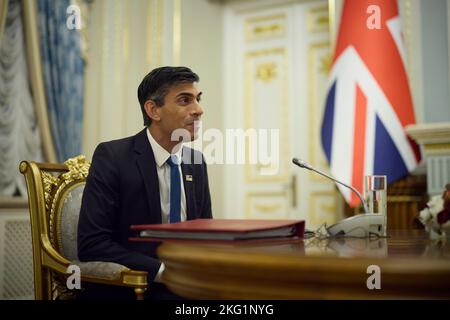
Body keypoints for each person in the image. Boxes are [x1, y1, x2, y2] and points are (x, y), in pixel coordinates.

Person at [77, 66, 212, 299]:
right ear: (153, 110)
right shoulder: (114, 157)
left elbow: (206, 234)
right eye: (184, 100)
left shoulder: (195, 161)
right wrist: (162, 271)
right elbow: (92, 243)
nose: (199, 110)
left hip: (191, 283)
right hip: (137, 286)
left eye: (197, 100)